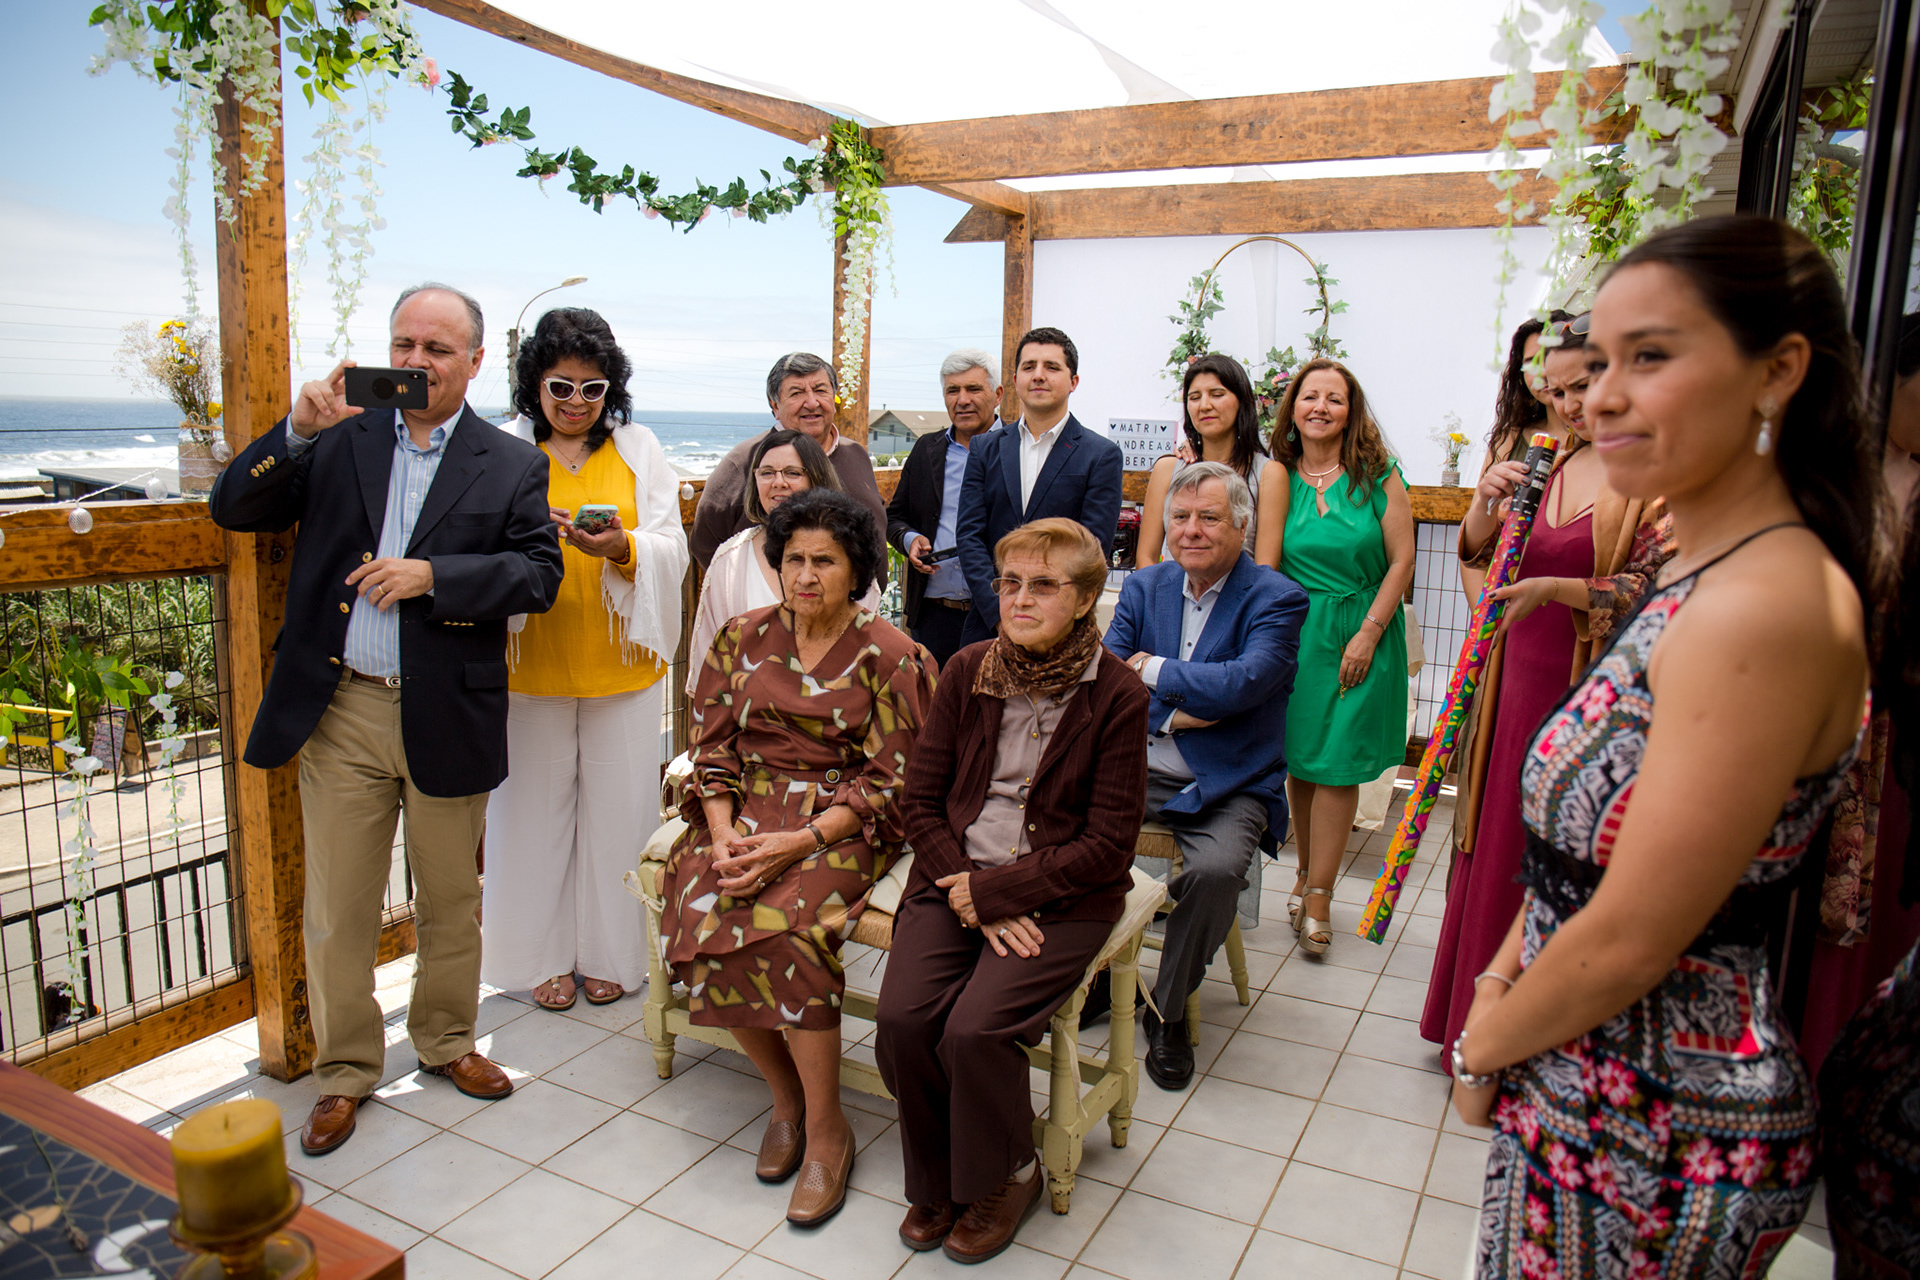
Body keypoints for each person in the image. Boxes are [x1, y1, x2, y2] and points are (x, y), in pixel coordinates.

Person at [1450, 216, 1885, 1280]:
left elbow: (1637, 933)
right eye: (1597, 362)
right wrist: (1497, 981)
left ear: (1778, 371)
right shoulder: (1698, 567)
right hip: (1580, 1090)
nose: (1600, 397)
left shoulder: (1766, 604)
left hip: (1659, 1126)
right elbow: (1575, 863)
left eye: (1649, 357)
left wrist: (1483, 1045)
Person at [209, 282, 565, 1156]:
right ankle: (344, 1072)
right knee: (340, 909)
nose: (414, 361)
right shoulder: (339, 436)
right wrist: (296, 430)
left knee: (450, 899)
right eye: (403, 344)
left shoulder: (510, 462)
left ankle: (446, 1042)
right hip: (343, 710)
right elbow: (234, 507)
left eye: (436, 349)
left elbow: (539, 575)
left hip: (450, 711)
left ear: (474, 361)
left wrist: (433, 577)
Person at [876, 518, 1147, 1263]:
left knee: (975, 1030)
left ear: (1085, 599)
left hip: (1063, 895)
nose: (1020, 599)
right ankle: (938, 1174)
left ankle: (1008, 1172)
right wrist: (971, 890)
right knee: (901, 1020)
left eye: (1044, 585)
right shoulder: (967, 669)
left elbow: (1108, 845)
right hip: (953, 875)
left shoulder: (1118, 694)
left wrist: (1001, 895)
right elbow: (920, 803)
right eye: (1010, 582)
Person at [663, 489, 933, 1226]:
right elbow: (712, 745)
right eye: (793, 559)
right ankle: (785, 1099)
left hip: (840, 824)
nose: (805, 575)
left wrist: (800, 842)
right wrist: (723, 833)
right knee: (699, 914)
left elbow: (893, 781)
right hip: (743, 809)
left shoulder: (893, 655)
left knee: (792, 932)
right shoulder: (740, 637)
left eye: (825, 561)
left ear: (858, 570)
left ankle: (827, 1130)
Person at [1420, 320, 1673, 1049]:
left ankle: (1536, 1036)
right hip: (1510, 683)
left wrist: (1558, 590)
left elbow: (1656, 591)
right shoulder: (1547, 461)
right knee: (1498, 836)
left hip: (1587, 691)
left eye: (1581, 385)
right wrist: (1482, 504)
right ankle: (1474, 1025)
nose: (1567, 405)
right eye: (1555, 391)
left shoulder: (1654, 475)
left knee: (1558, 844)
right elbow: (1485, 558)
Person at [483, 308, 689, 1011]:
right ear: (534, 384)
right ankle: (535, 960)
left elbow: (671, 543)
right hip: (528, 669)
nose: (576, 402)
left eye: (592, 388)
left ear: (611, 389)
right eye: (560, 386)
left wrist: (623, 547)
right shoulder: (503, 448)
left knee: (621, 821)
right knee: (528, 823)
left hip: (622, 670)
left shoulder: (639, 447)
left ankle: (613, 957)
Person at [1103, 464, 1309, 1089]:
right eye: (1180, 517)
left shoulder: (1277, 597)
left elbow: (1245, 683)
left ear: (1242, 527)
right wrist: (1181, 711)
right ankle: (1093, 975)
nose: (1190, 530)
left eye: (1209, 518)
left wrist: (1152, 671)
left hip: (1228, 779)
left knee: (1217, 873)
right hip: (1135, 767)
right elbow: (1107, 677)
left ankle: (1166, 1010)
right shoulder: (1146, 586)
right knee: (1056, 833)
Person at [1270, 359, 1414, 958]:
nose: (1321, 407)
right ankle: (1304, 876)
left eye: (1335, 398)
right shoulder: (1280, 476)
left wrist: (1369, 633)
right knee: (1303, 763)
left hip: (1364, 630)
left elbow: (1402, 560)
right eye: (1311, 396)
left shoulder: (1378, 474)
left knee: (1337, 767)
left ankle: (1321, 896)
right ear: (1293, 408)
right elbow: (1268, 564)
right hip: (1301, 634)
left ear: (1351, 411)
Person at [956, 327, 1124, 646]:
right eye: (1029, 366)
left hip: (1061, 629)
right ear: (1015, 379)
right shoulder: (984, 448)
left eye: (1052, 367)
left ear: (1073, 381)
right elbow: (969, 535)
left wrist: (1046, 611)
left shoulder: (1100, 456)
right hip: (989, 626)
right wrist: (1001, 612)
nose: (1038, 375)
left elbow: (1092, 549)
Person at [687, 429, 878, 708]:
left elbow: (868, 647)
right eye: (767, 473)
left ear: (817, 479)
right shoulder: (730, 560)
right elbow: (709, 664)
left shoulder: (851, 556)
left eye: (792, 473)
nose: (778, 483)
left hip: (836, 714)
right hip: (749, 719)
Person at [688, 352, 887, 573]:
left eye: (820, 390)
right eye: (796, 393)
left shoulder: (855, 453)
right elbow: (705, 543)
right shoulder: (744, 460)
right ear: (775, 406)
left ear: (833, 398)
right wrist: (751, 586)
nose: (812, 402)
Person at [887, 349, 1003, 667]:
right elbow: (894, 517)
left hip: (996, 617)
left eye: (973, 389)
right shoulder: (927, 449)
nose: (962, 400)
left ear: (998, 395)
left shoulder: (1015, 451)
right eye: (953, 390)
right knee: (931, 697)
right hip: (932, 616)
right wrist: (910, 539)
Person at [1136, 355, 1287, 569]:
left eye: (1217, 395)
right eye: (1194, 397)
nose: (1204, 406)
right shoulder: (1168, 470)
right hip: (1174, 588)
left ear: (1241, 401)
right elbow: (1146, 558)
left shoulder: (1268, 474)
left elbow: (1266, 569)